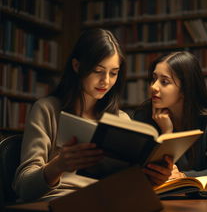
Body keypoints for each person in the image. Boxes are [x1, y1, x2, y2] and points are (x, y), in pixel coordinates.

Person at [13, 28, 172, 202]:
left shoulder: (121, 120)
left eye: (113, 73)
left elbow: (128, 186)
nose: (106, 81)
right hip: (62, 202)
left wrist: (152, 178)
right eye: (98, 71)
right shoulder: (47, 110)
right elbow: (23, 188)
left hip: (108, 202)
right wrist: (59, 165)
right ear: (77, 66)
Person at [134, 51, 207, 180]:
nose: (154, 86)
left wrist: (183, 176)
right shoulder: (144, 115)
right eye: (153, 79)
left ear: (186, 88)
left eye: (164, 82)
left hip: (202, 198)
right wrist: (166, 132)